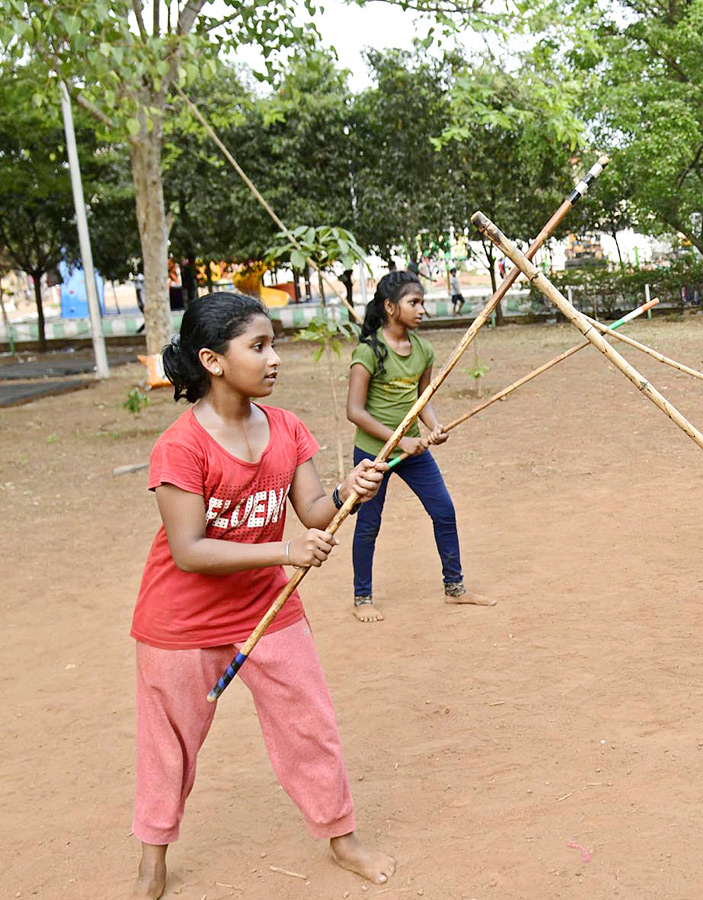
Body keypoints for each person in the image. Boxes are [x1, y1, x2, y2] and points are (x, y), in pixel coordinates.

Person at [130, 292, 395, 900]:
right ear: (213, 360)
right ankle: (152, 863)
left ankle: (341, 837)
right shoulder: (181, 446)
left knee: (310, 723)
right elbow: (190, 550)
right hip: (179, 621)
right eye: (259, 346)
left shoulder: (285, 428)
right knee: (169, 746)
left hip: (266, 609)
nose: (275, 358)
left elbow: (312, 513)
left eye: (273, 343)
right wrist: (285, 552)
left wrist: (350, 490)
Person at [346, 270, 494, 623]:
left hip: (413, 451)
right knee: (368, 523)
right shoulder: (368, 351)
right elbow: (354, 411)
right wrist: (399, 439)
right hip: (374, 454)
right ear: (390, 307)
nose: (421, 309)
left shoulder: (423, 350)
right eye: (413, 302)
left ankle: (455, 588)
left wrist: (434, 425)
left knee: (444, 510)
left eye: (422, 302)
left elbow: (422, 398)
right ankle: (362, 596)